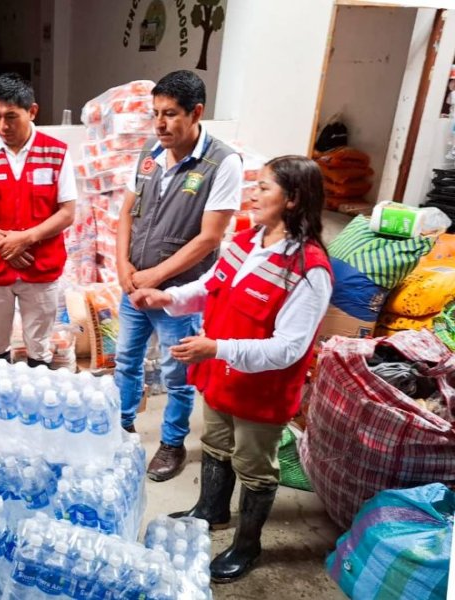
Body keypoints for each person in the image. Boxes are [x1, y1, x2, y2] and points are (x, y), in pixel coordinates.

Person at [130, 155, 333, 582]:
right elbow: (210, 286)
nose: (252, 195)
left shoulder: (307, 271)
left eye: (264, 188)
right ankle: (211, 510)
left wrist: (216, 347)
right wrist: (169, 298)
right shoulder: (245, 240)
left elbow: (288, 349)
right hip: (221, 376)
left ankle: (247, 545)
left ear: (293, 200)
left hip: (261, 391)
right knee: (217, 443)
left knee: (254, 465)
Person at [115, 70, 242, 482]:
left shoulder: (222, 162)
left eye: (170, 114)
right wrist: (124, 267)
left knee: (178, 374)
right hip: (135, 286)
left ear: (197, 112)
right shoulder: (150, 152)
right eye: (155, 113)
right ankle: (121, 429)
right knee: (126, 361)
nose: (160, 124)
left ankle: (172, 444)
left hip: (181, 294)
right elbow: (125, 214)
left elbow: (210, 237)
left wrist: (156, 277)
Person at [0, 73, 76, 369]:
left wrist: (26, 238)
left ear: (32, 111)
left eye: (11, 117)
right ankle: (1, 405)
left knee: (40, 347)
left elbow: (67, 212)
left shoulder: (56, 153)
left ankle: (35, 407)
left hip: (41, 266)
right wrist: (2, 243)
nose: (2, 126)